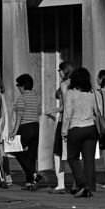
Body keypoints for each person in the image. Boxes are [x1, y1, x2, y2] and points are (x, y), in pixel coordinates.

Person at [62, 67, 98, 198]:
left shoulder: (71, 93)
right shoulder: (91, 93)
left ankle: (82, 184)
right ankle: (89, 186)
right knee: (89, 159)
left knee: (72, 157)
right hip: (91, 127)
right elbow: (96, 110)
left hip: (76, 127)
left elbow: (67, 113)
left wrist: (64, 130)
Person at [9, 74, 41, 190]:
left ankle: (33, 173)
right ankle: (30, 182)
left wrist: (13, 131)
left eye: (18, 85)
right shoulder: (36, 97)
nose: (17, 87)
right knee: (31, 155)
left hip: (25, 127)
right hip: (36, 127)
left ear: (22, 86)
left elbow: (19, 117)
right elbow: (39, 111)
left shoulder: (21, 98)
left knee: (15, 149)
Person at [47, 61, 75, 193]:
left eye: (59, 70)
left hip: (64, 121)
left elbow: (66, 106)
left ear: (64, 71)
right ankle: (77, 182)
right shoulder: (78, 84)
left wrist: (54, 110)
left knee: (58, 153)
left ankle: (60, 184)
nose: (58, 72)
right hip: (77, 121)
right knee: (74, 154)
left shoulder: (64, 84)